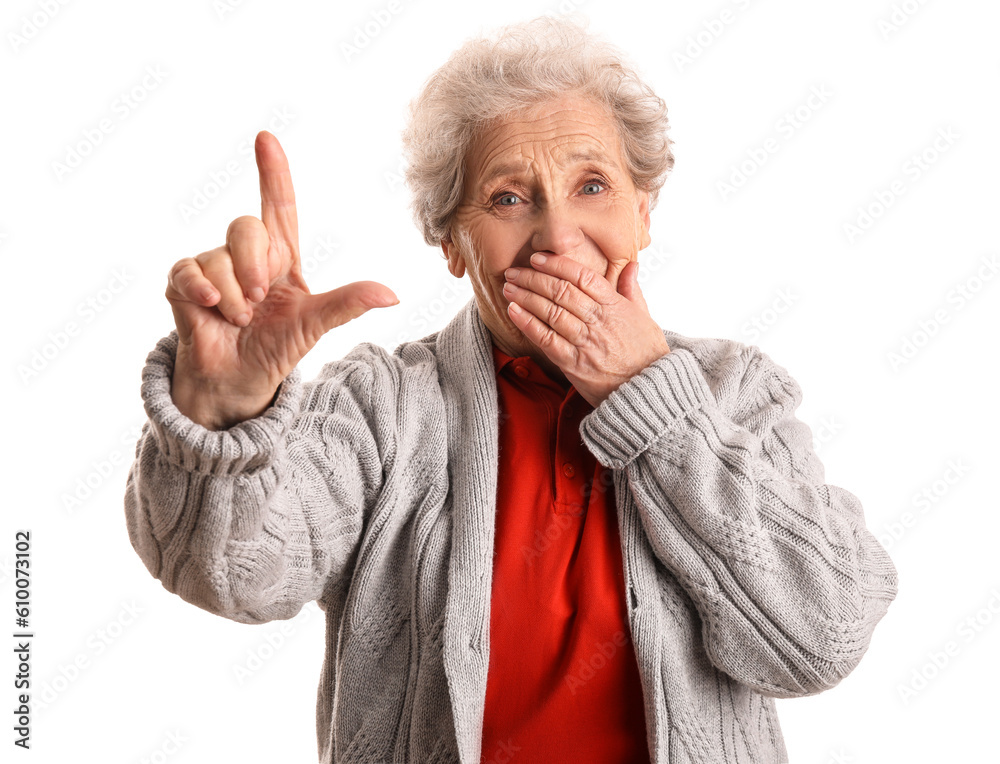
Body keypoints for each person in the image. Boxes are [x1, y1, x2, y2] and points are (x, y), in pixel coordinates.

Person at [123, 15, 898, 764]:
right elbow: (237, 576)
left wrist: (649, 395)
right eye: (507, 199)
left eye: (592, 185)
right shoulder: (382, 407)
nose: (559, 237)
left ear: (644, 213)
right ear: (452, 244)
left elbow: (820, 641)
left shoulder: (736, 391)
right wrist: (222, 417)